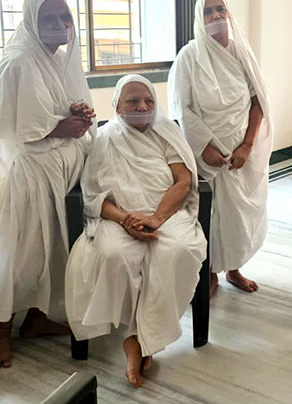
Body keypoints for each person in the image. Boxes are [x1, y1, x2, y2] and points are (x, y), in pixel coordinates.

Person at [65, 75, 206, 388]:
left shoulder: (166, 132)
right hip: (118, 218)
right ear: (117, 106)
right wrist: (126, 219)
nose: (142, 107)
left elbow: (183, 181)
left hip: (167, 214)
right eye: (132, 101)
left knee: (178, 251)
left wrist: (156, 218)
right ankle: (139, 336)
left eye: (148, 101)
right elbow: (94, 194)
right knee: (113, 254)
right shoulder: (103, 139)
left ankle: (138, 340)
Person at [0, 0, 95, 368]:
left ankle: (37, 319)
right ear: (31, 22)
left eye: (65, 18)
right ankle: (1, 330)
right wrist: (59, 127)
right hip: (30, 176)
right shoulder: (17, 61)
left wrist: (76, 113)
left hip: (59, 173)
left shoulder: (53, 59)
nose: (60, 26)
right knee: (20, 257)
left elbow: (51, 107)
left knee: (54, 250)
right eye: (49, 19)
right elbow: (10, 124)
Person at [168, 0, 272, 294]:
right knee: (211, 215)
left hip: (242, 155)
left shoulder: (241, 52)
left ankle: (234, 269)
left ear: (228, 13)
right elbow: (182, 108)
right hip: (208, 156)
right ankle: (209, 270)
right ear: (199, 19)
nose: (215, 15)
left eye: (220, 9)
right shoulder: (189, 57)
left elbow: (258, 101)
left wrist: (247, 145)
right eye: (208, 11)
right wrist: (204, 148)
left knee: (238, 216)